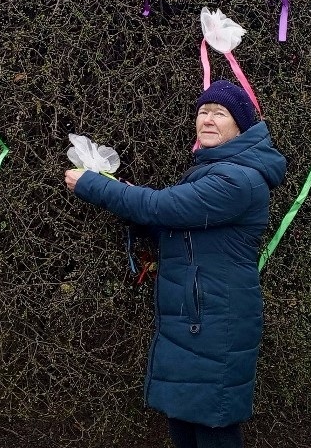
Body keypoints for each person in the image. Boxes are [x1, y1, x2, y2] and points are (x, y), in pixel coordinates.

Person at [64, 80, 287, 448]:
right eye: (203, 112)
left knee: (214, 423)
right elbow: (171, 219)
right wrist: (123, 193)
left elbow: (161, 207)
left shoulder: (237, 179)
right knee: (184, 418)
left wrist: (95, 185)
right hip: (195, 313)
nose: (208, 120)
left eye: (220, 113)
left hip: (216, 318)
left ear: (241, 126)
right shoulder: (214, 169)